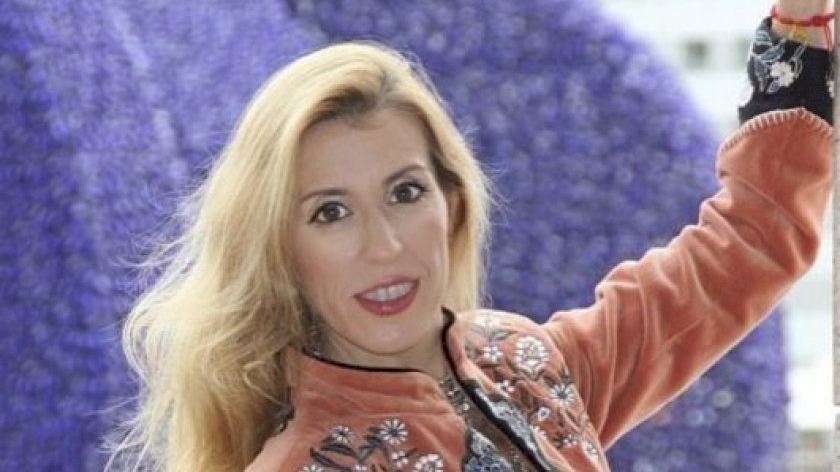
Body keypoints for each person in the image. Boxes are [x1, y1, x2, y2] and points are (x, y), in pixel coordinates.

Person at [107, 1, 834, 470]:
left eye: (405, 193)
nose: (384, 246)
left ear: (452, 204)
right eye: (330, 212)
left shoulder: (527, 367)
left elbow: (750, 243)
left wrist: (800, 29)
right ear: (281, 252)